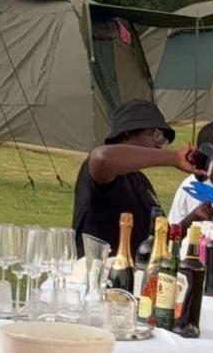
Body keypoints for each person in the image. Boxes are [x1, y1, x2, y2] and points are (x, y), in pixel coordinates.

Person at [72, 99, 195, 258]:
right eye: (156, 135)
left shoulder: (140, 181)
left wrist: (195, 217)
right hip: (99, 270)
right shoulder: (106, 172)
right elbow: (101, 158)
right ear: (127, 133)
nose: (159, 145)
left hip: (136, 271)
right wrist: (175, 158)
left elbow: (157, 240)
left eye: (162, 140)